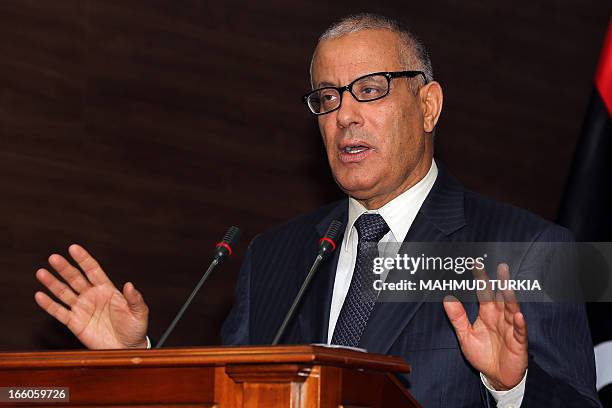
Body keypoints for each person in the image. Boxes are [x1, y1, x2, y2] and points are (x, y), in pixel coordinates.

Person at [34, 13, 600, 407]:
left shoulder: (529, 250)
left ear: (428, 105)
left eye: (370, 89)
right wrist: (136, 361)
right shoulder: (276, 255)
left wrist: (514, 388)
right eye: (327, 98)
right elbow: (228, 397)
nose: (345, 116)